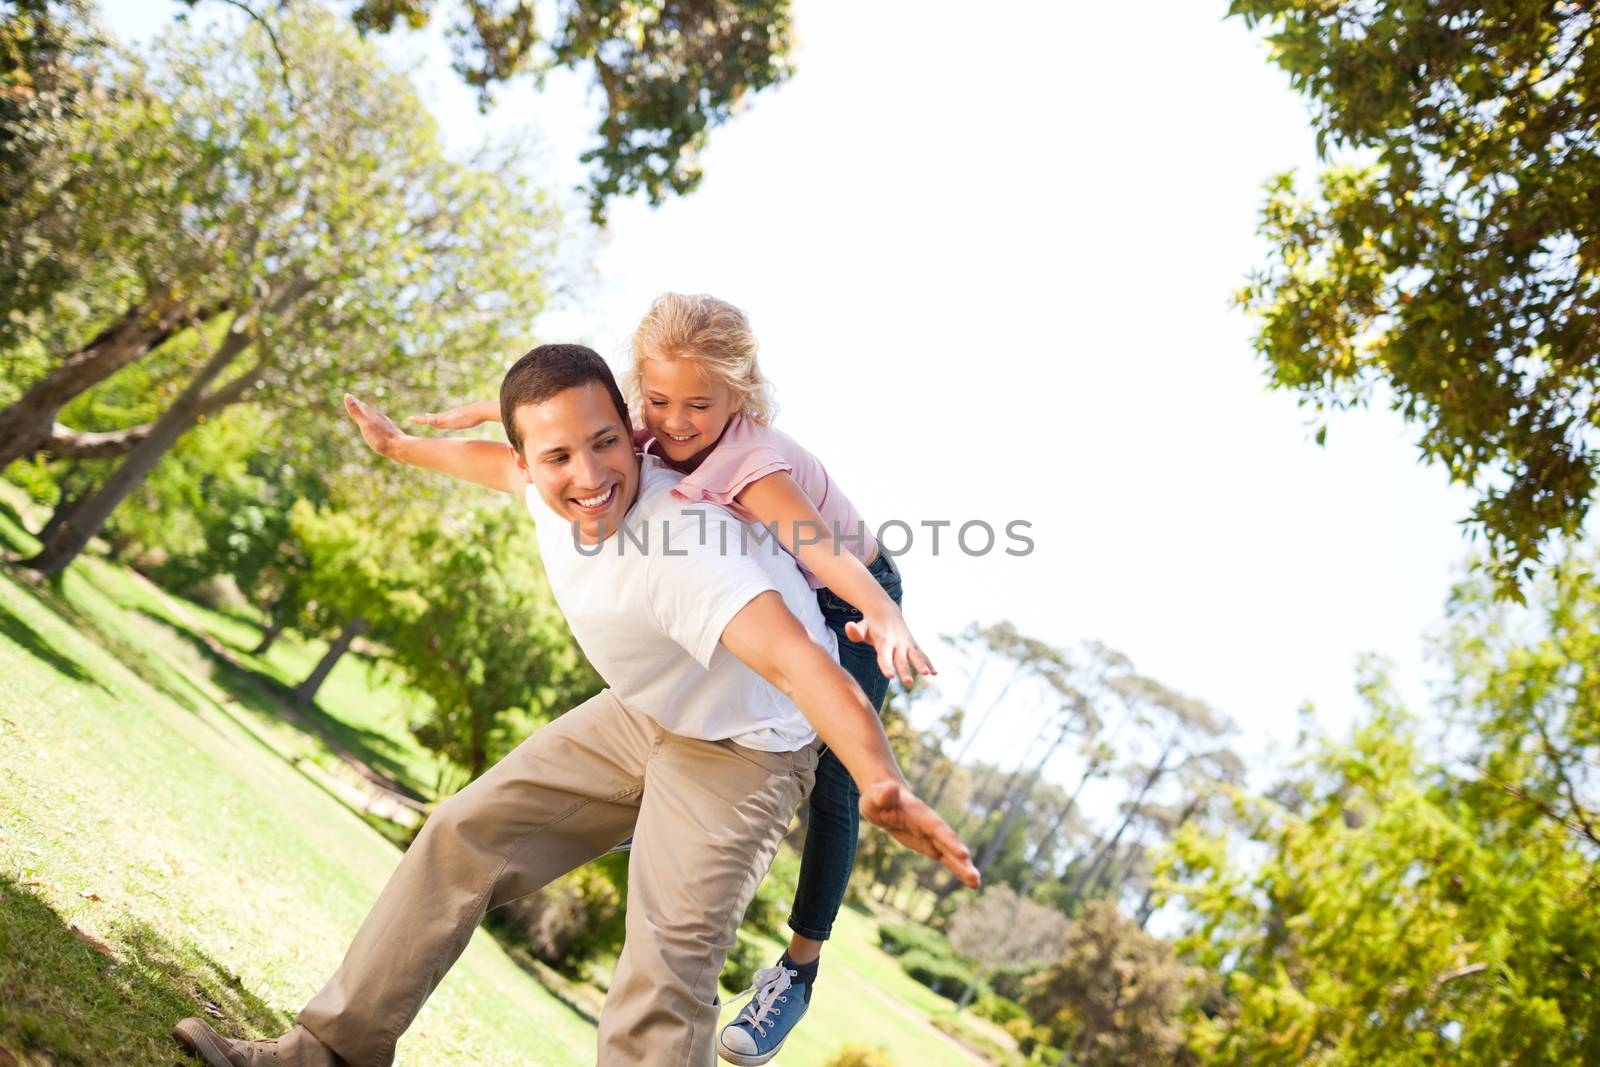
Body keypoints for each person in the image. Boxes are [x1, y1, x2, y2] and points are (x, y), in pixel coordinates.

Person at [171, 344, 976, 1067]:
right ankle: (325, 1055)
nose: (589, 477)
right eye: (556, 456)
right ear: (528, 463)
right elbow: (486, 460)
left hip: (747, 747)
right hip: (642, 712)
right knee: (463, 834)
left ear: (630, 432)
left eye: (604, 444)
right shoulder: (538, 484)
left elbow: (807, 666)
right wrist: (397, 446)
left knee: (663, 970)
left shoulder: (685, 540)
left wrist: (877, 780)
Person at [416, 293, 934, 1064]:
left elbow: (822, 554)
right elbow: (535, 429)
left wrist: (883, 617)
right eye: (658, 400)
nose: (678, 420)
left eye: (701, 403)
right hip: (772, 585)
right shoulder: (636, 427)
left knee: (835, 777)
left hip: (849, 585)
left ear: (741, 395)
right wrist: (468, 419)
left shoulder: (751, 465)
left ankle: (797, 971)